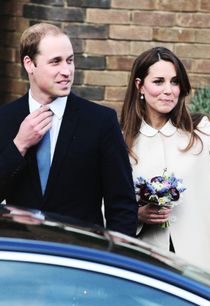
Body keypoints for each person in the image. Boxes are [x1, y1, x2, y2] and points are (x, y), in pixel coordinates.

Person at [0, 23, 138, 237]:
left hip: (80, 257)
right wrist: (19, 145)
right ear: (29, 64)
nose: (67, 71)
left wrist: (111, 258)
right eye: (55, 62)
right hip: (22, 255)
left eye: (70, 60)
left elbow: (122, 206)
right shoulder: (5, 119)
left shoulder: (100, 121)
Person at [120, 46, 210, 282]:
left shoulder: (199, 131)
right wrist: (138, 215)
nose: (168, 90)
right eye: (159, 81)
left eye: (174, 82)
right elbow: (106, 208)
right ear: (140, 86)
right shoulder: (122, 142)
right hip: (148, 265)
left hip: (202, 264)